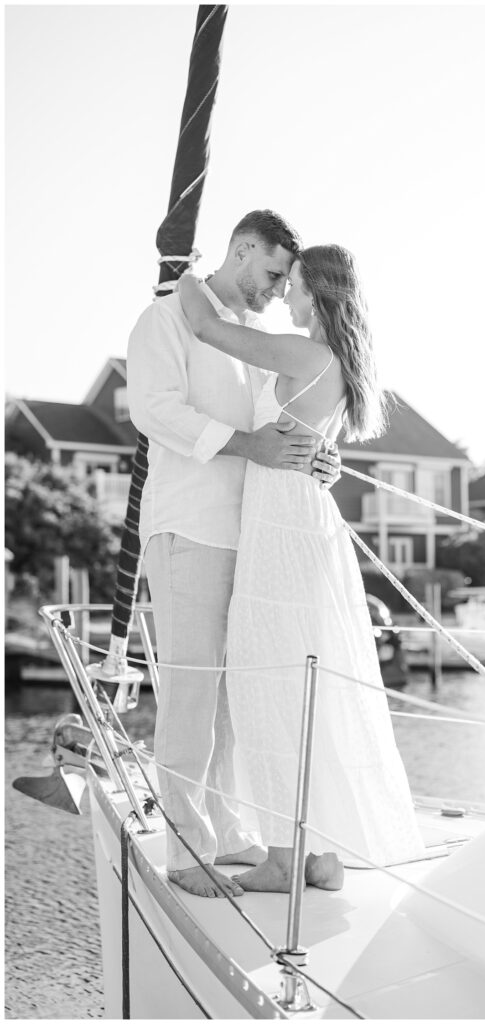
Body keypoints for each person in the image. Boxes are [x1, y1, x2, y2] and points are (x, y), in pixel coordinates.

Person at [178, 244, 425, 893]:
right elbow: (316, 448)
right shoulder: (339, 363)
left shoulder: (305, 353)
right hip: (305, 523)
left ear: (314, 290)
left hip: (281, 530)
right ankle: (323, 854)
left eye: (290, 284)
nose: (283, 293)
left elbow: (207, 327)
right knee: (310, 681)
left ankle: (286, 859)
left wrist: (186, 269)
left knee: (272, 682)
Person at [127, 210, 341, 899]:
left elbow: (282, 426)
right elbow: (153, 410)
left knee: (236, 697)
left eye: (288, 281)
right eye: (274, 273)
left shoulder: (267, 338)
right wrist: (250, 446)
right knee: (192, 689)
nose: (280, 291)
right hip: (191, 526)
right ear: (243, 250)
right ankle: (187, 851)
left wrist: (318, 457)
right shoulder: (164, 319)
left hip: (256, 534)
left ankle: (229, 830)